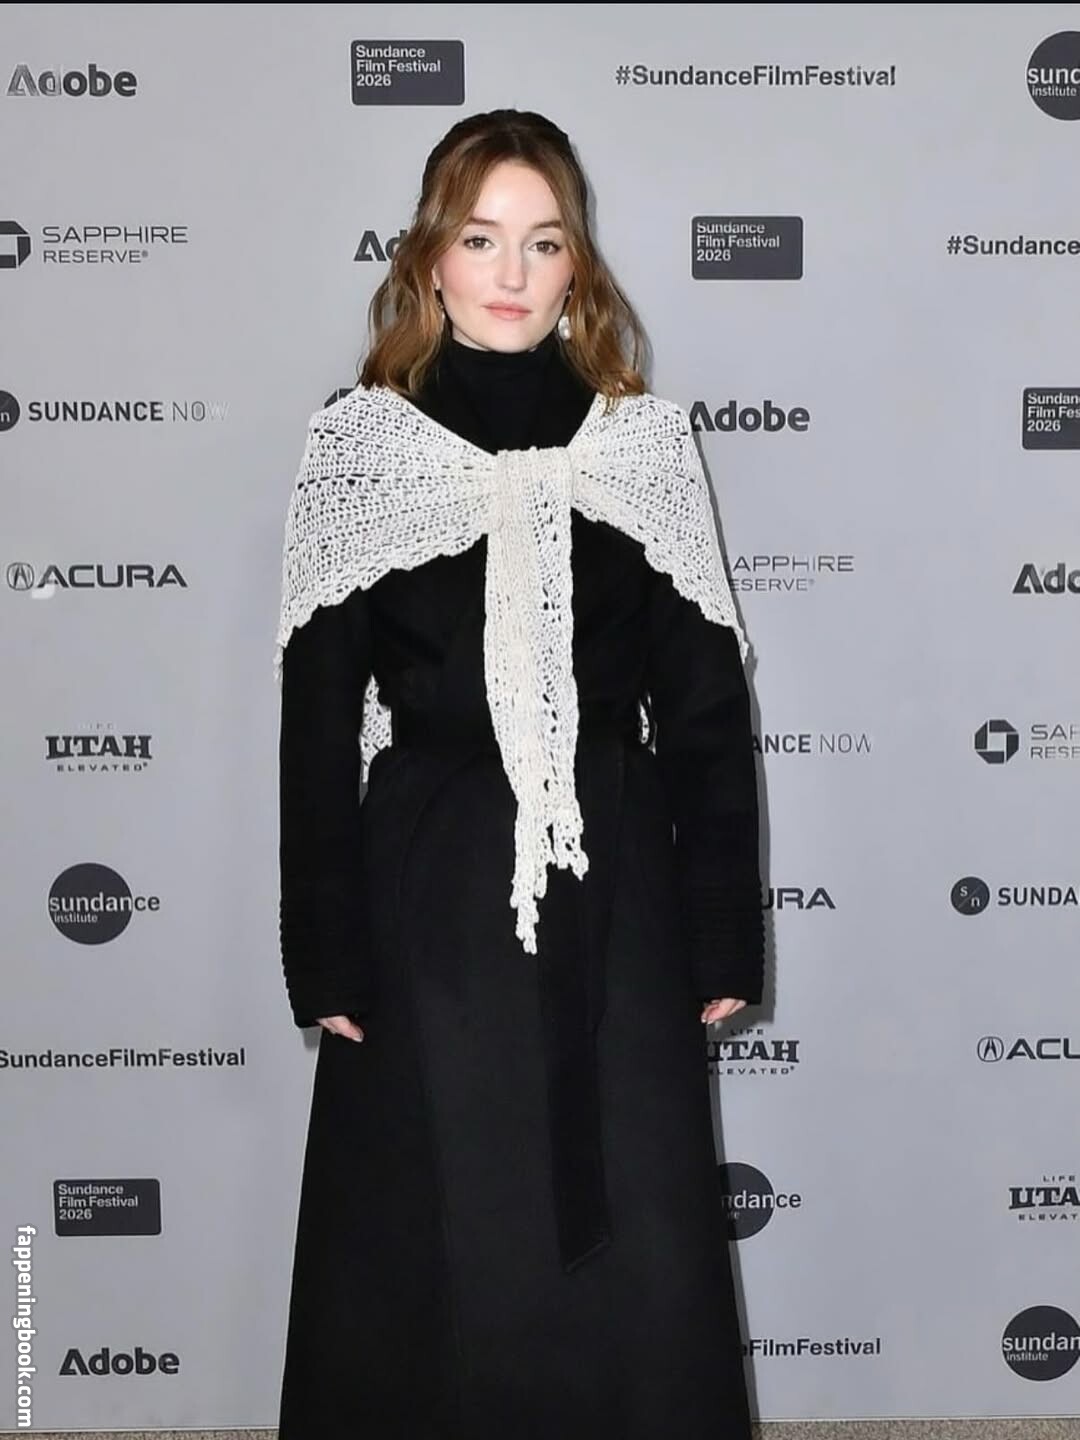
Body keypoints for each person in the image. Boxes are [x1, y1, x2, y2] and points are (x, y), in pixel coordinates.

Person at [274, 108, 765, 1440]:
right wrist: (323, 948)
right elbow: (316, 720)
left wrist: (721, 926)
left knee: (633, 1227)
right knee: (436, 1230)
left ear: (576, 266)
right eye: (482, 237)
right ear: (430, 256)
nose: (511, 271)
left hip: (617, 882)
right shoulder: (361, 447)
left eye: (543, 242)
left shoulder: (642, 446)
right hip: (427, 885)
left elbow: (705, 715)